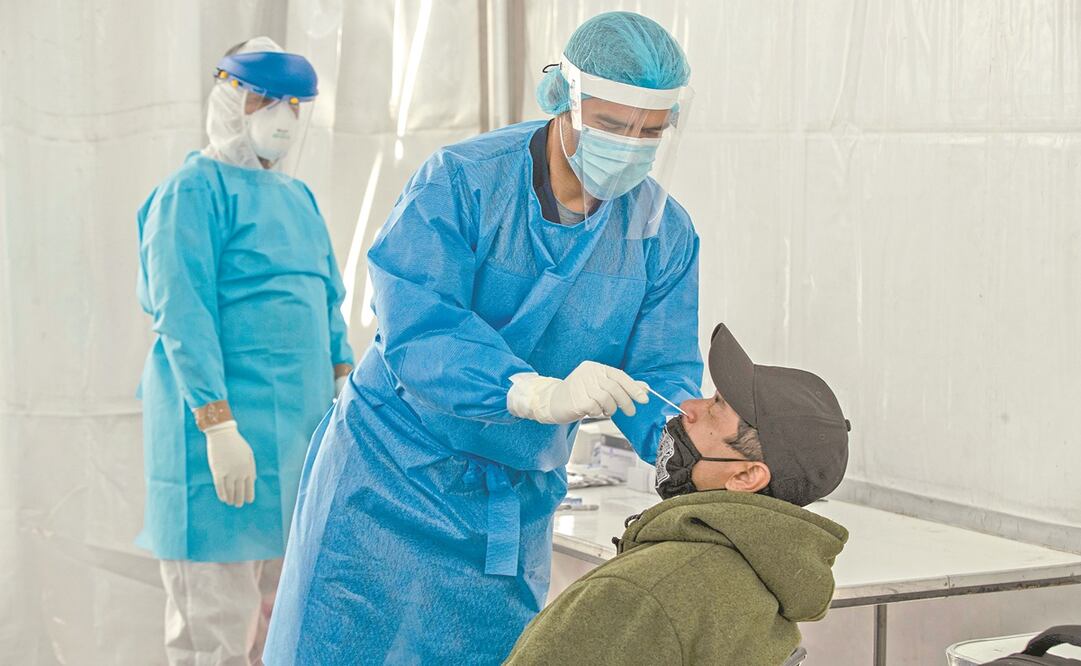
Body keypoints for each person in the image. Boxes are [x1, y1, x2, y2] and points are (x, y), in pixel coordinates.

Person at [264, 11, 702, 665]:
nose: (630, 145)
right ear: (563, 99)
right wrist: (529, 392)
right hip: (388, 478)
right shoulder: (463, 183)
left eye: (649, 132)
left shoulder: (661, 234)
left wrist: (686, 451)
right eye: (612, 124)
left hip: (509, 505)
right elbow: (419, 327)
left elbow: (661, 368)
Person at [135, 36, 354, 665]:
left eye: (293, 104)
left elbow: (326, 309)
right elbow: (183, 311)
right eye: (265, 99)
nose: (280, 118)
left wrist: (346, 392)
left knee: (280, 629)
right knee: (216, 632)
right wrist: (217, 422)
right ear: (229, 99)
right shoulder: (192, 192)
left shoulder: (299, 199)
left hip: (295, 447)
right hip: (216, 447)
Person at [504, 323, 851, 665]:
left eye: (716, 406)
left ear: (747, 475)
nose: (689, 407)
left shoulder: (638, 592)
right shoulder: (769, 579)